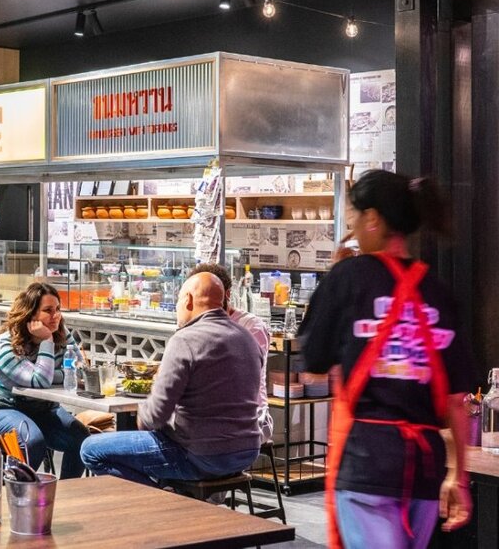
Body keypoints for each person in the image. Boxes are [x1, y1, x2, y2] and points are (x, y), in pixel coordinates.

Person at [298, 170, 475, 548]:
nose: (354, 227)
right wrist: (458, 479)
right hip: (425, 467)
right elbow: (456, 401)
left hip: (367, 460)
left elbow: (313, 365)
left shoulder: (348, 276)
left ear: (373, 219)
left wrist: (337, 279)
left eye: (355, 217)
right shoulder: (439, 292)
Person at [80, 272, 262, 486]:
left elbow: (155, 415)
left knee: (91, 449)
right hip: (246, 452)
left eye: (177, 300)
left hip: (199, 456)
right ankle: (173, 495)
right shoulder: (246, 338)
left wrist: (141, 416)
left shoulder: (186, 339)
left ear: (188, 300)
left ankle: (163, 501)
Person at [0, 281, 89, 478]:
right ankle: (17, 495)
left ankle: (67, 497)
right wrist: (47, 342)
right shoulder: (5, 344)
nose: (56, 315)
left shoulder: (61, 332)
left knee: (80, 438)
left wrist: (53, 372)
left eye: (58, 309)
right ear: (31, 314)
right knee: (31, 441)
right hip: (0, 406)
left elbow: (81, 371)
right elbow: (40, 381)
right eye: (48, 310)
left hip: (41, 407)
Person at [190, 263, 272, 444]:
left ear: (226, 294)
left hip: (252, 419)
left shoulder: (251, 326)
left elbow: (241, 379)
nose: (203, 304)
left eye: (209, 297)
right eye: (199, 297)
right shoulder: (195, 323)